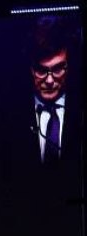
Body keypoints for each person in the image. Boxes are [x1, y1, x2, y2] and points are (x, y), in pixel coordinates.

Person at [27, 16, 76, 167]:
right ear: (31, 69)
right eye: (41, 70)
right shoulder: (8, 116)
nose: (49, 81)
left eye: (58, 69)